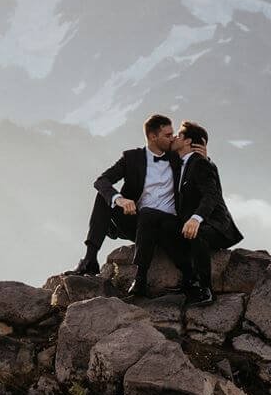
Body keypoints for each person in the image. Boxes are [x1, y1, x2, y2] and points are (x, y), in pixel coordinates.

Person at [72, 112, 187, 297]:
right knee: (103, 197)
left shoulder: (177, 158)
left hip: (167, 226)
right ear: (152, 136)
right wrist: (120, 199)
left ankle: (140, 280)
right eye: (167, 135)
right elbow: (102, 181)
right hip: (138, 224)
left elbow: (202, 175)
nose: (172, 138)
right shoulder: (132, 158)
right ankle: (90, 259)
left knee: (150, 214)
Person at [173, 120, 243, 307]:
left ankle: (205, 290)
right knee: (164, 227)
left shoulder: (200, 164)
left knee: (198, 234)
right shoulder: (181, 163)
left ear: (188, 142)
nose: (174, 137)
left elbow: (211, 195)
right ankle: (188, 280)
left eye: (179, 135)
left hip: (216, 226)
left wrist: (196, 219)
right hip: (192, 222)